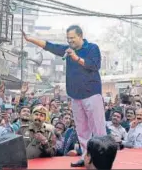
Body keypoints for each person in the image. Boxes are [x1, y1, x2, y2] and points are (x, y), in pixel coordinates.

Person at [21, 25, 106, 167]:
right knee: (82, 130)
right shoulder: (67, 50)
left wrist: (76, 58)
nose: (70, 41)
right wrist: (30, 39)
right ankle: (85, 158)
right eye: (68, 38)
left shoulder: (92, 48)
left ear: (80, 36)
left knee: (98, 129)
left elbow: (94, 65)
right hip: (75, 95)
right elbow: (50, 46)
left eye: (72, 38)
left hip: (92, 94)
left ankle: (101, 160)